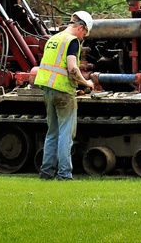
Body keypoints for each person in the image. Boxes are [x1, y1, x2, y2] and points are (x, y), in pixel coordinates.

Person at [33, 11, 95, 180]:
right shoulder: (72, 41)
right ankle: (64, 174)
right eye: (85, 33)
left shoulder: (53, 39)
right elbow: (72, 68)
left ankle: (46, 172)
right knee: (66, 134)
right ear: (80, 27)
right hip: (63, 92)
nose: (83, 38)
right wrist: (87, 83)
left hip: (48, 89)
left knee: (52, 132)